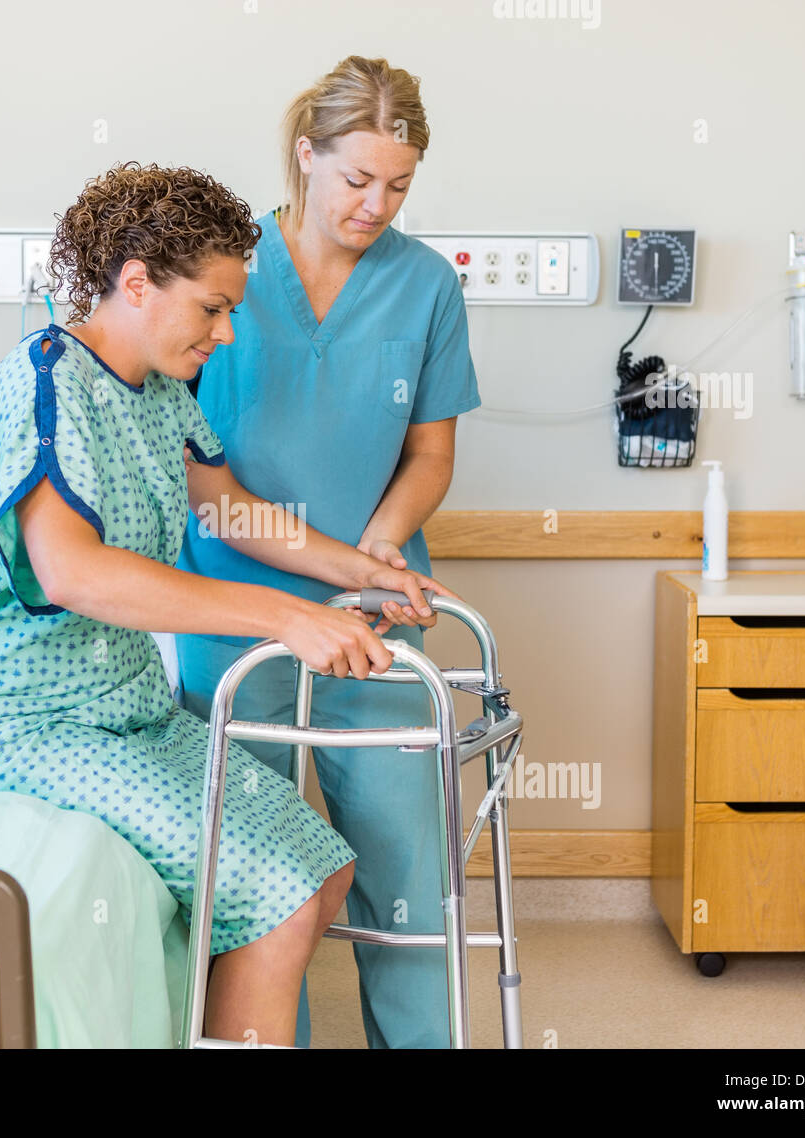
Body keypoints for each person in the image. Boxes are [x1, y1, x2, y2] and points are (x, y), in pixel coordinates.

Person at [0, 160, 458, 1047]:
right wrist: (284, 617)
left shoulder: (165, 398)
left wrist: (363, 570)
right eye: (213, 308)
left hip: (126, 714)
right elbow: (69, 573)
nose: (230, 333)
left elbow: (228, 508)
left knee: (320, 871)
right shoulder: (44, 381)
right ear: (135, 285)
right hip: (16, 719)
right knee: (277, 900)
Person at [175, 57, 482, 1048]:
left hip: (376, 618)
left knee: (406, 872)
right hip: (235, 615)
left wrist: (381, 551)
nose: (375, 204)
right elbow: (211, 496)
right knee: (258, 884)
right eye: (356, 179)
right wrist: (342, 567)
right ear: (306, 156)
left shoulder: (426, 285)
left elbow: (431, 451)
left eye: (398, 184)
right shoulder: (225, 278)